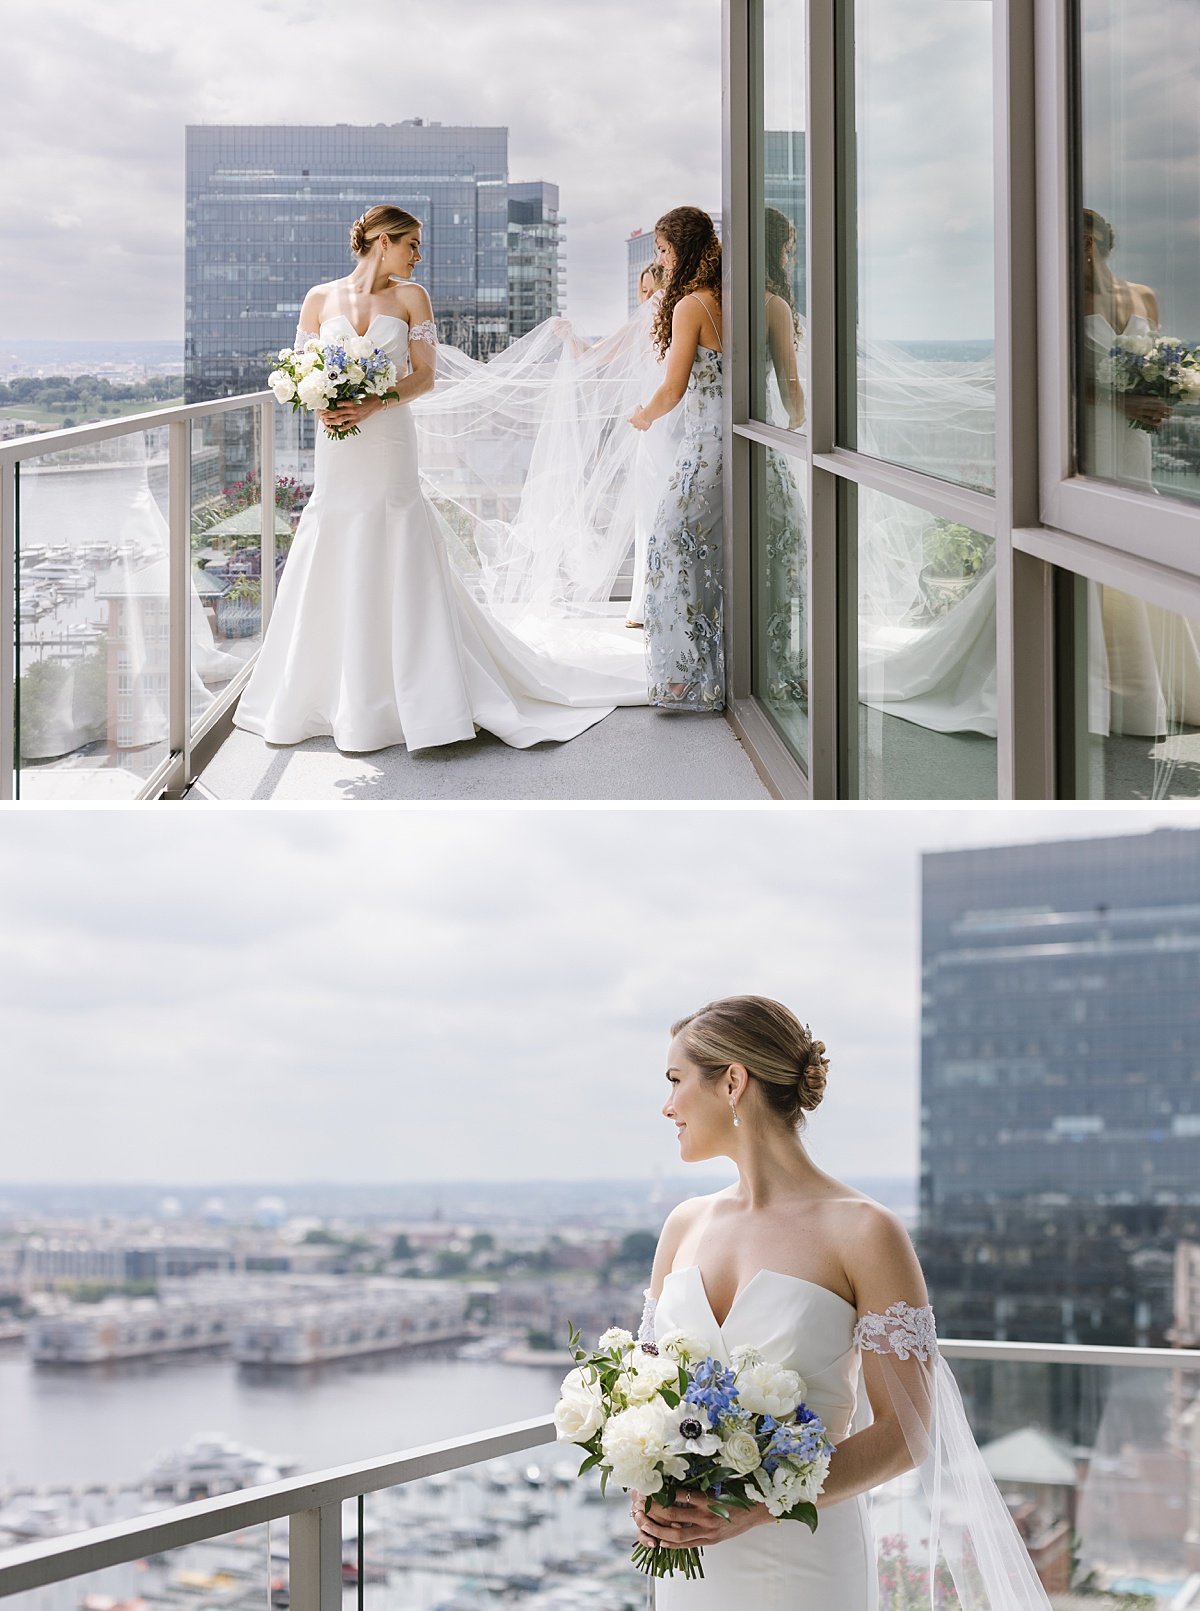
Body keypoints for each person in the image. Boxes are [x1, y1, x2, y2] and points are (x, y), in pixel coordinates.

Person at [632, 995, 1054, 1609]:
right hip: (687, 1566)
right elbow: (645, 1396)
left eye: (676, 1081)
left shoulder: (864, 1232)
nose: (667, 1106)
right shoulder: (682, 1224)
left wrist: (759, 1505)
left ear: (732, 1082)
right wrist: (646, 1487)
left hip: (802, 1560)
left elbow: (907, 1434)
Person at [234, 205, 645, 754]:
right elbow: (302, 373)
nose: (417, 256)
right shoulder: (318, 299)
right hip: (337, 445)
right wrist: (325, 406)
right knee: (333, 535)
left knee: (396, 535)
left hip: (388, 439)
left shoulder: (412, 298)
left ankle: (417, 691)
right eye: (411, 244)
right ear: (383, 241)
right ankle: (333, 692)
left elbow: (425, 376)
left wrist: (372, 401)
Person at [631, 207, 725, 713]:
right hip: (751, 451)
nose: (661, 262)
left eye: (664, 251)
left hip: (706, 454)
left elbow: (672, 390)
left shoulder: (693, 305)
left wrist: (644, 415)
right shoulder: (757, 301)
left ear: (683, 251)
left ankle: (684, 678)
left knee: (670, 547)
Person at [626, 258, 669, 629]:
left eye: (651, 290)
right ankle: (653, 601)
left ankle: (646, 603)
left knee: (653, 512)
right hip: (661, 422)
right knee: (656, 511)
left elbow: (598, 355)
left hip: (659, 421)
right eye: (643, 292)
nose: (648, 299)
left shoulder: (661, 314)